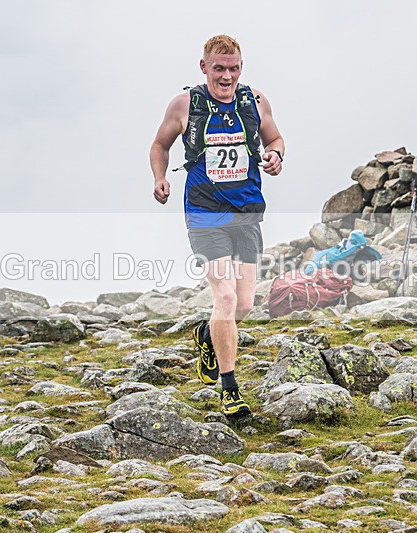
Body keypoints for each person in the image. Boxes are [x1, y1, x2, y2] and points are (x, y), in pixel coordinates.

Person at [150, 35, 285, 417]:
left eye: (234, 68)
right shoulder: (185, 104)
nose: (226, 76)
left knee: (243, 304)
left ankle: (208, 335)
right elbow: (159, 145)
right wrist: (159, 177)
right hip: (205, 212)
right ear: (204, 67)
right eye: (219, 68)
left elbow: (274, 138)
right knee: (223, 297)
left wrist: (274, 155)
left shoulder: (255, 101)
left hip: (246, 212)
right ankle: (230, 391)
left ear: (241, 67)